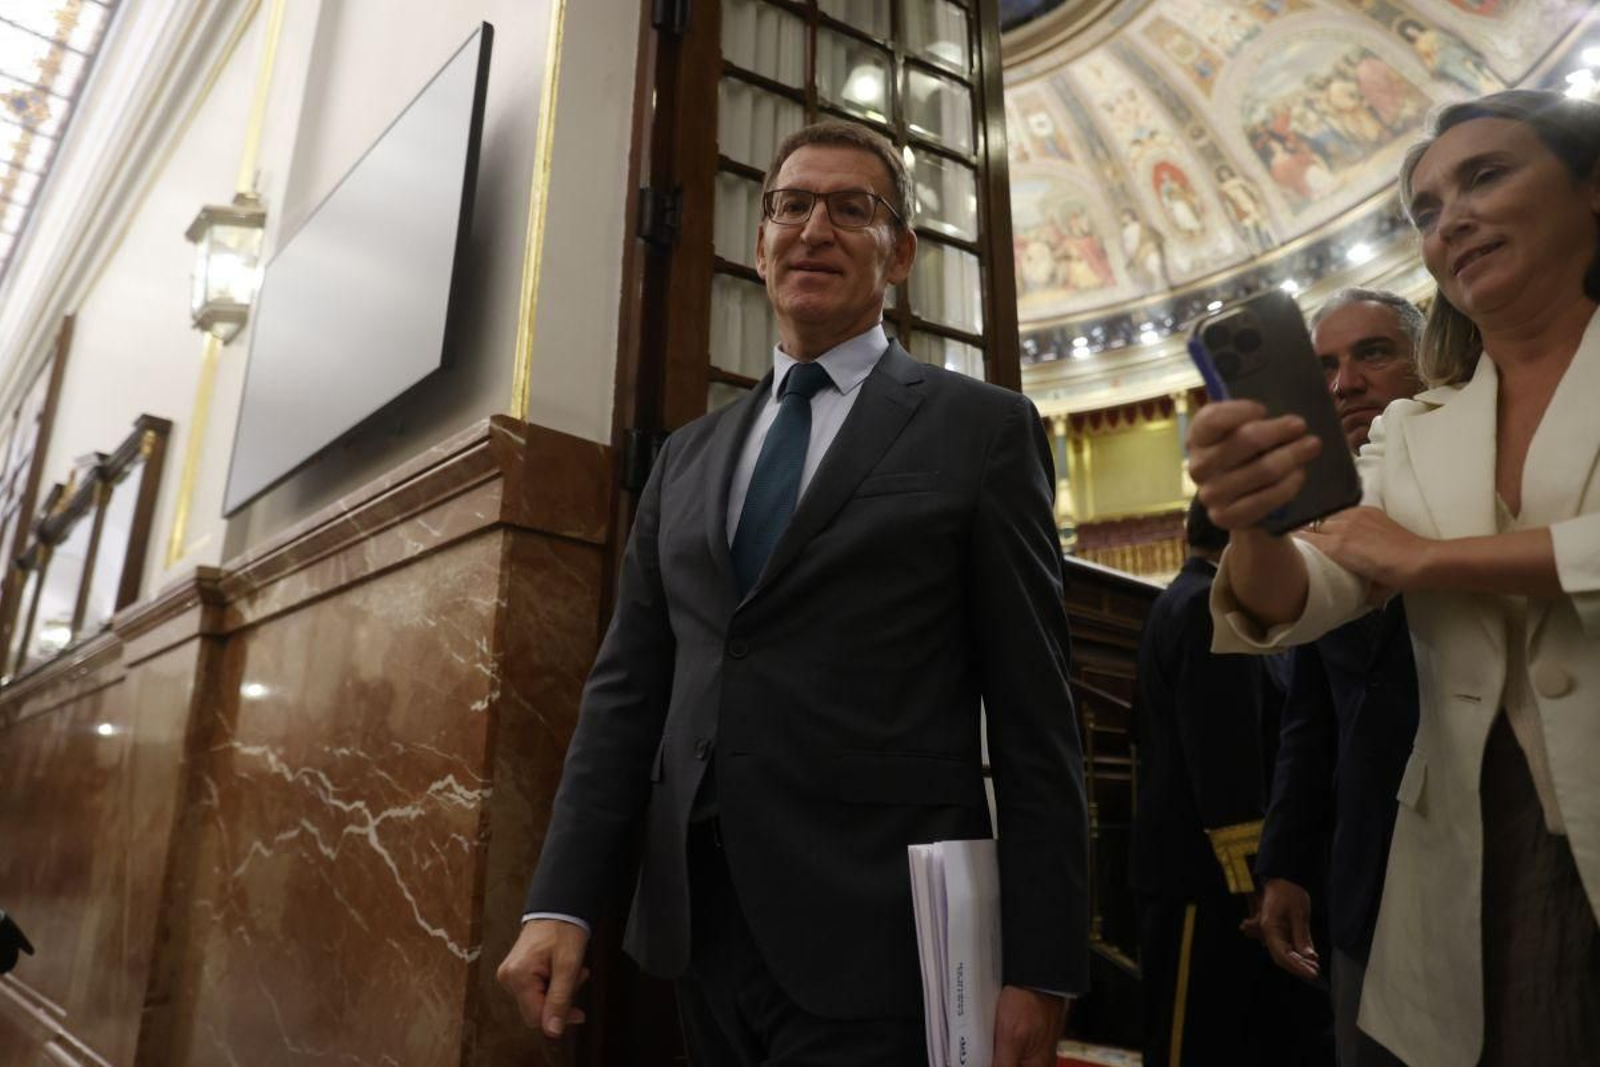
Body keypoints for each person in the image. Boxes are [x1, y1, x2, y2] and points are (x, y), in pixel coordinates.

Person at [497, 120, 1089, 1066]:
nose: (814, 227)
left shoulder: (980, 430)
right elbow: (625, 696)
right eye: (791, 204)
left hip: (883, 940)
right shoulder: (688, 457)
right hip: (695, 933)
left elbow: (1035, 714)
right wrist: (560, 899)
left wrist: (1043, 963)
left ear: (899, 254)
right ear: (760, 240)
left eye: (852, 208)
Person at [1186, 89, 1600, 1065]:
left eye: (1485, 175)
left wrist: (1430, 560)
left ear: (1590, 189)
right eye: (1423, 206)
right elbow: (1308, 593)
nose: (1448, 214)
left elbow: (1398, 558)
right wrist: (1253, 523)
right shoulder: (1416, 431)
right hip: (1467, 855)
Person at [1250, 289, 1424, 1067]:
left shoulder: (1491, 474)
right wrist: (1284, 863)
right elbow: (1311, 713)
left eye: (1373, 353)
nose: (1345, 382)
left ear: (1430, 356)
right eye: (1325, 366)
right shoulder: (1312, 520)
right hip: (1364, 879)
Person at [1131, 497, 1332, 1067]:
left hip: (1197, 874)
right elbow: (1226, 757)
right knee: (1195, 1042)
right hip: (1206, 884)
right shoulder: (1207, 607)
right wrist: (1254, 880)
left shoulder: (1182, 596)